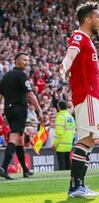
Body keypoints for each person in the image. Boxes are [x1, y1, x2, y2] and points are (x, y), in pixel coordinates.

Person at [59, 1, 99, 198]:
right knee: (85, 139)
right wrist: (65, 65)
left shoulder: (89, 40)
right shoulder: (79, 36)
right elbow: (71, 53)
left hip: (92, 96)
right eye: (98, 16)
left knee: (90, 140)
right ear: (88, 19)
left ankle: (80, 185)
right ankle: (76, 187)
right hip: (87, 95)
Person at [0, 52, 43, 180]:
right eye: (24, 60)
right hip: (19, 109)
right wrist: (39, 111)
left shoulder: (6, 76)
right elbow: (30, 95)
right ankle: (3, 167)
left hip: (9, 110)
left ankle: (25, 170)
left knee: (20, 139)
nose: (27, 62)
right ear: (17, 61)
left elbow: (1, 95)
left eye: (27, 60)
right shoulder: (21, 75)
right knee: (14, 137)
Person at [52, 100, 75, 170]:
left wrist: (55, 144)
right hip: (69, 143)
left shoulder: (60, 117)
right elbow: (73, 131)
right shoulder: (70, 117)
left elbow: (59, 133)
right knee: (68, 162)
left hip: (61, 144)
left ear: (59, 107)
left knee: (62, 164)